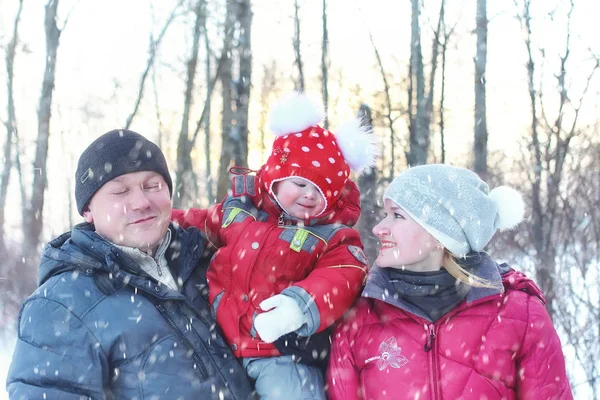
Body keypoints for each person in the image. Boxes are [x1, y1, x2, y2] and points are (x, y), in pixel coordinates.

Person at [6, 129, 253, 399]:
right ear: (88, 209)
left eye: (152, 186)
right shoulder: (60, 304)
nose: (141, 202)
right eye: (120, 191)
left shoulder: (213, 259)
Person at [173, 92, 375, 399]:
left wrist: (299, 306)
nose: (310, 195)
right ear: (277, 177)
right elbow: (198, 220)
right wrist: (162, 221)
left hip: (282, 353)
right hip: (220, 343)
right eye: (301, 183)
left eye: (321, 191)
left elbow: (342, 276)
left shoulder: (332, 236)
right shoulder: (239, 211)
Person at [327, 164, 573, 399]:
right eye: (385, 214)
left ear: (440, 235)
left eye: (397, 216)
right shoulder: (359, 316)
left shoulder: (520, 315)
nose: (379, 228)